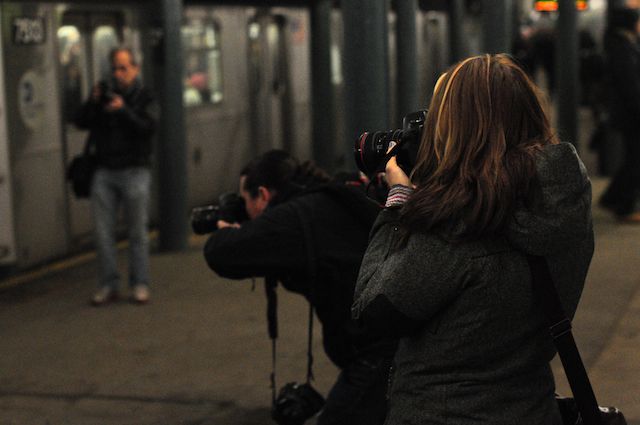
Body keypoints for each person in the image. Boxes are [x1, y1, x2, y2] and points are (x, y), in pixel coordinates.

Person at [352, 54, 594, 425]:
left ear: (458, 130)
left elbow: (373, 310)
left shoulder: (460, 228)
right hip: (532, 408)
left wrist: (399, 201)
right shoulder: (563, 204)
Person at [204, 150, 396, 425]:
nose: (244, 209)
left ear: (263, 195)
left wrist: (225, 227)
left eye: (245, 201)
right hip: (389, 340)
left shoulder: (296, 216)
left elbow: (221, 253)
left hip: (378, 352)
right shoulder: (326, 196)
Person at [75, 48, 156, 306]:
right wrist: (92, 101)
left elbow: (148, 127)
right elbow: (80, 121)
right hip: (105, 172)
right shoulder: (104, 96)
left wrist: (123, 110)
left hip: (135, 170)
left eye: (123, 68)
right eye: (115, 68)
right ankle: (108, 284)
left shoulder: (146, 96)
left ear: (135, 68)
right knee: (102, 233)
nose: (118, 74)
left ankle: (140, 283)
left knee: (137, 232)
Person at [599, 8, 640, 222]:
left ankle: (613, 197)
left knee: (633, 158)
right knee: (635, 160)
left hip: (627, 111)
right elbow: (629, 84)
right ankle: (623, 205)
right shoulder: (621, 47)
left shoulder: (620, 44)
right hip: (630, 112)